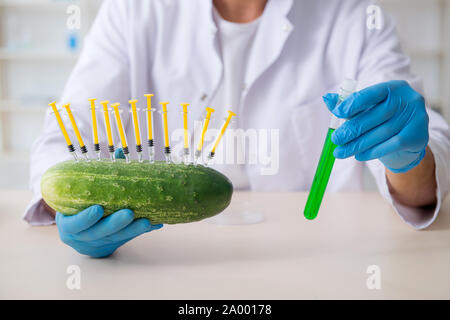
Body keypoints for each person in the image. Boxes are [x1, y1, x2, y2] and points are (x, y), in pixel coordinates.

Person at [26, 0, 450, 258]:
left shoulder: (355, 16)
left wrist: (407, 156)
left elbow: (423, 179)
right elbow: (64, 134)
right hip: (167, 252)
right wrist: (70, 200)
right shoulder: (134, 10)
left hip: (313, 250)